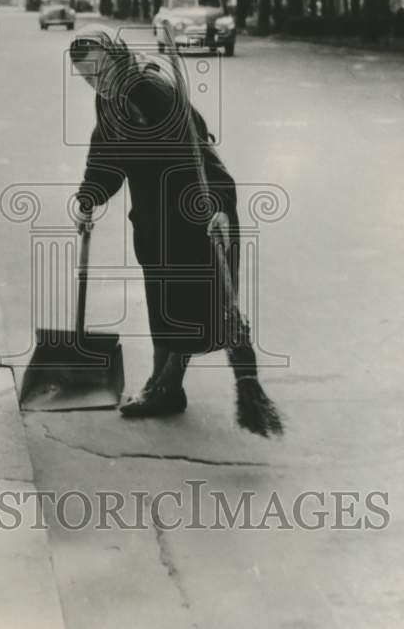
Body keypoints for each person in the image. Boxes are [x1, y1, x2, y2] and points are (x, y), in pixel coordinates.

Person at [70, 25, 282, 436]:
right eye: (88, 78)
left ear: (117, 57)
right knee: (163, 301)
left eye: (100, 71)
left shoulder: (150, 89)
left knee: (185, 304)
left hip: (192, 209)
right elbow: (106, 153)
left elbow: (197, 148)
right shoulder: (109, 99)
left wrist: (218, 204)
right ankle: (163, 386)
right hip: (153, 215)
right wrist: (89, 196)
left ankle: (166, 387)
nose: (98, 83)